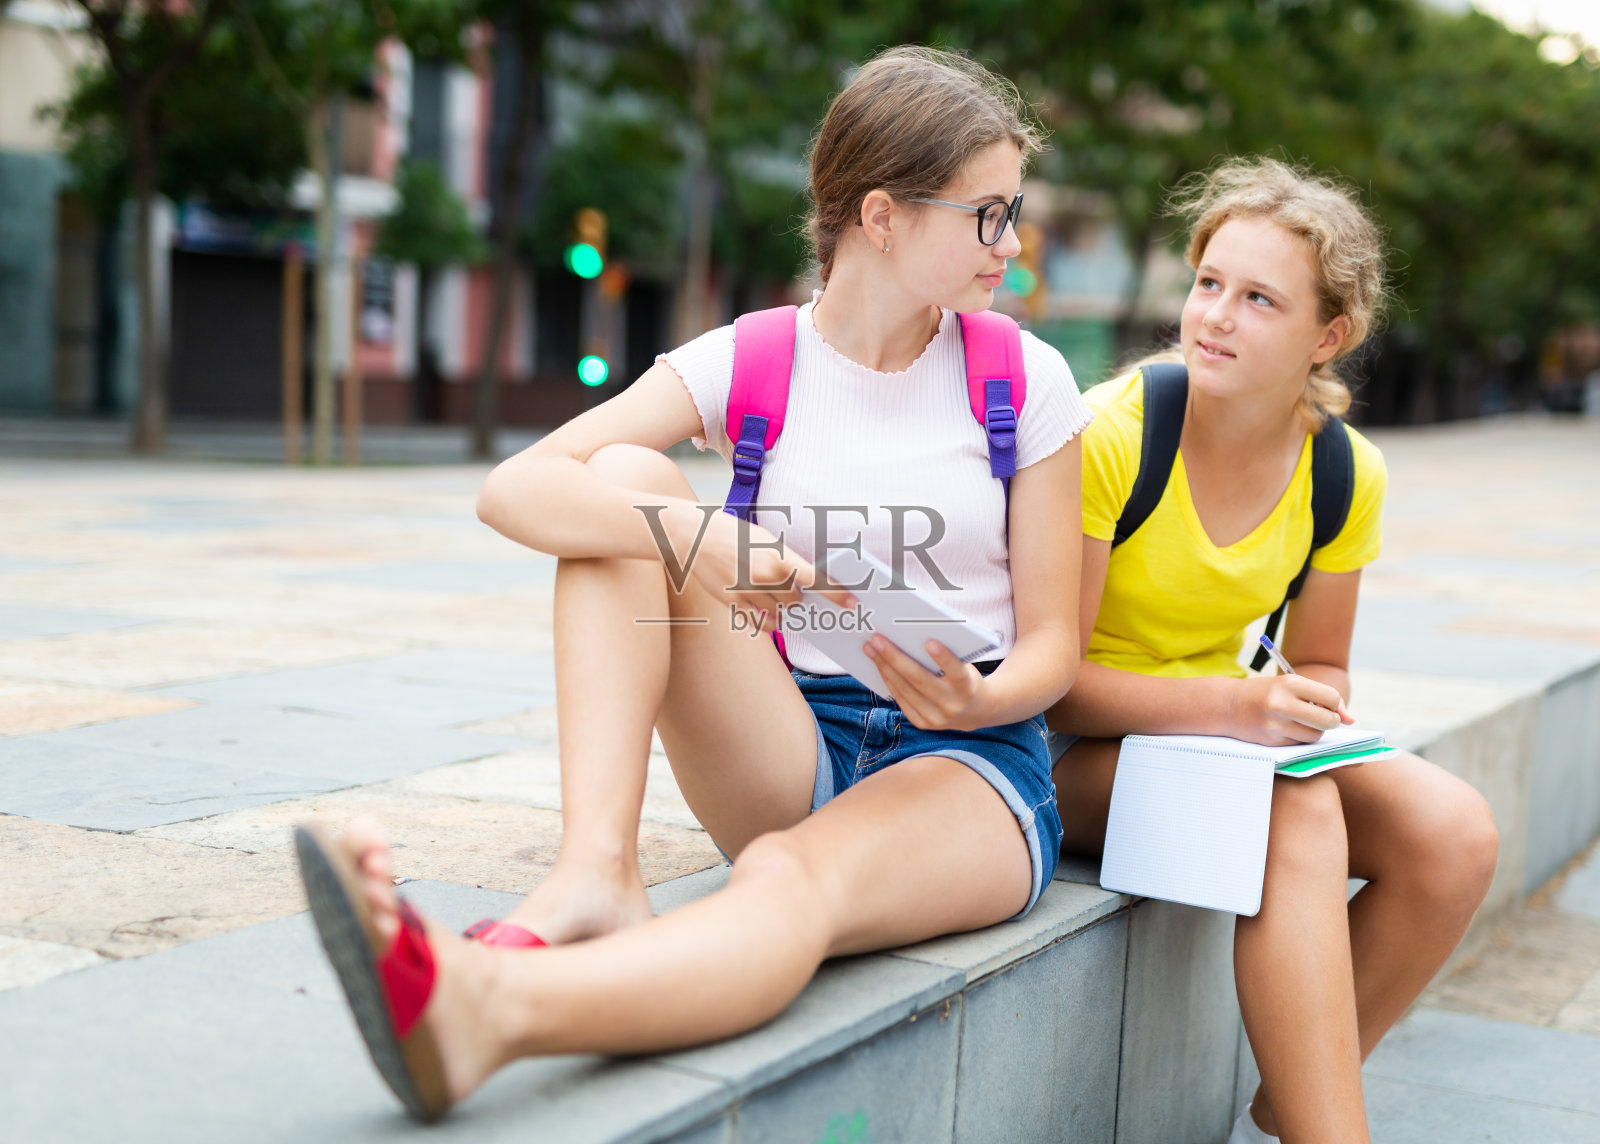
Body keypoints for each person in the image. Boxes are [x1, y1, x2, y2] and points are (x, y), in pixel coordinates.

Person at [295, 46, 1093, 1122]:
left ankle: (492, 1010)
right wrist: (702, 539)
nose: (1011, 243)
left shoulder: (1023, 378)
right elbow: (514, 488)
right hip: (794, 733)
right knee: (624, 481)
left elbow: (1053, 646)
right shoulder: (752, 359)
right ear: (882, 216)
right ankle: (595, 869)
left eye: (1013, 213)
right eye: (987, 215)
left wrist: (981, 696)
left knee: (791, 881)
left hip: (970, 762)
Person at [1044, 157, 1500, 1144]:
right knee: (1295, 810)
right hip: (1068, 758)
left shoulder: (1342, 470)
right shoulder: (1107, 436)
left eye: (1258, 299)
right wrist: (1234, 709)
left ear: (1326, 335)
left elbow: (1322, 661)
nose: (1215, 316)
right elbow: (1053, 685)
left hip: (1219, 742)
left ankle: (1294, 1096)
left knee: (1454, 832)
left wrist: (1307, 710)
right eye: (1209, 283)